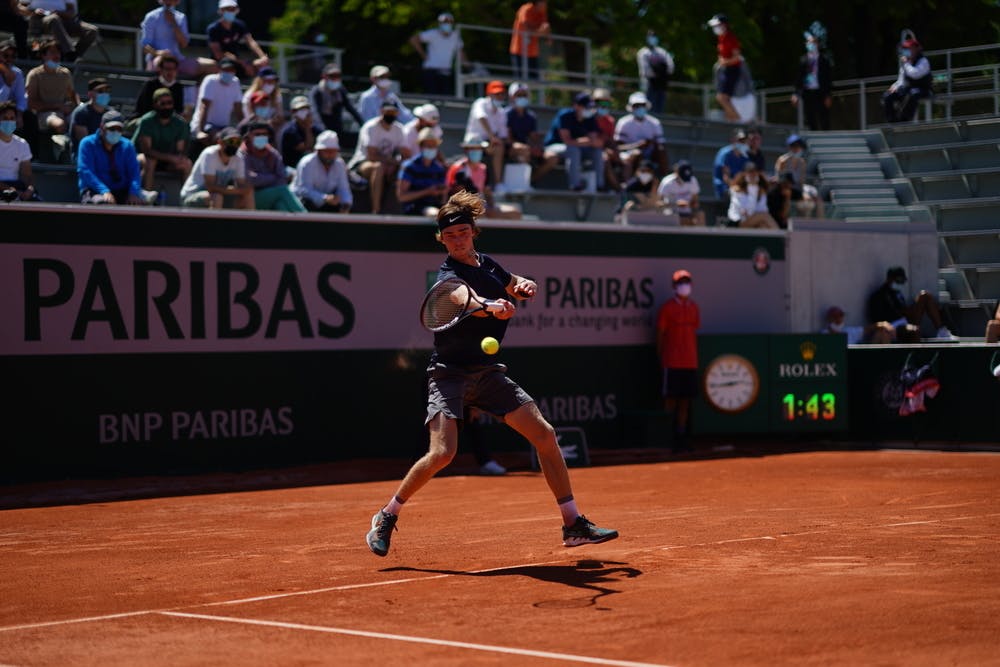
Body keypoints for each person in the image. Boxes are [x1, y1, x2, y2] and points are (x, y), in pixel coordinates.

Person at [364, 189, 618, 557]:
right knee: (442, 454)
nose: (456, 240)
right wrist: (488, 305)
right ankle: (387, 515)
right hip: (448, 374)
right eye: (449, 236)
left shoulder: (489, 264)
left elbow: (514, 282)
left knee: (545, 436)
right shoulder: (448, 275)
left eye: (462, 233)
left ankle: (573, 523)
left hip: (487, 374)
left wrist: (524, 285)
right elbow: (459, 298)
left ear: (473, 232)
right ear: (441, 239)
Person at [656, 269, 700, 453]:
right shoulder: (667, 308)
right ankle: (666, 438)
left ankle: (681, 437)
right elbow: (660, 334)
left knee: (685, 402)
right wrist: (661, 357)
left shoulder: (694, 307)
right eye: (681, 282)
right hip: (672, 362)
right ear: (674, 286)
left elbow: (695, 330)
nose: (684, 285)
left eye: (687, 282)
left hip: (690, 362)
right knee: (670, 401)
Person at [77, 110, 157, 205]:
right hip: (94, 190)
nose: (115, 132)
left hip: (122, 189)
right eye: (111, 128)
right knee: (102, 202)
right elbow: (85, 171)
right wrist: (104, 190)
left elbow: (134, 173)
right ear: (102, 127)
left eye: (119, 129)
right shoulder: (87, 143)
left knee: (141, 203)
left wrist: (133, 193)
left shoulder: (128, 146)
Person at [348, 99, 409, 215]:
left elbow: (406, 154)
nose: (391, 115)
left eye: (393, 112)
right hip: (362, 164)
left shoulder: (399, 129)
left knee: (405, 169)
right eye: (388, 112)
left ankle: (403, 209)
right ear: (381, 111)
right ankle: (376, 210)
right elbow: (372, 155)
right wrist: (393, 162)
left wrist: (397, 164)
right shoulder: (370, 127)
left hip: (388, 164)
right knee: (378, 167)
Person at [866, 266, 958, 341]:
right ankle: (918, 361)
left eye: (902, 281)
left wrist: (911, 309)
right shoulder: (880, 295)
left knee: (925, 296)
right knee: (914, 330)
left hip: (904, 320)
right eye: (898, 281)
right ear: (890, 279)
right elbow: (880, 319)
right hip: (893, 326)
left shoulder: (896, 292)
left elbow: (903, 310)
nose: (900, 283)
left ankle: (941, 331)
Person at [446, 138, 522, 219]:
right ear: (466, 150)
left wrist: (492, 207)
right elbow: (458, 197)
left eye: (478, 149)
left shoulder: (483, 168)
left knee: (515, 213)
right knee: (480, 215)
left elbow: (487, 191)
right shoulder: (458, 168)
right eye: (472, 149)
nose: (476, 151)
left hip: (479, 206)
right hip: (459, 207)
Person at [239, 121, 306, 212]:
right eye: (257, 134)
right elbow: (249, 180)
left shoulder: (272, 153)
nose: (261, 137)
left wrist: (261, 177)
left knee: (280, 206)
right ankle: (307, 218)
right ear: (249, 136)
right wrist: (273, 177)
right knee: (282, 190)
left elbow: (282, 178)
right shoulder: (242, 154)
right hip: (249, 198)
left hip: (272, 195)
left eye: (264, 134)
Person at [544, 92, 605, 192]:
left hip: (578, 147)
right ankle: (575, 185)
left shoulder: (590, 118)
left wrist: (586, 142)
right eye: (586, 107)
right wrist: (586, 141)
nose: (589, 110)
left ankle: (599, 185)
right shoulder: (565, 115)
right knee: (573, 150)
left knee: (597, 152)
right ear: (576, 106)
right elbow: (567, 141)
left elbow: (596, 142)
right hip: (555, 146)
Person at [180, 125, 253, 209]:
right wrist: (237, 190)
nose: (234, 145)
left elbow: (241, 184)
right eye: (231, 141)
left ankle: (252, 221)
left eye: (237, 142)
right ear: (220, 142)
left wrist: (244, 190)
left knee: (248, 194)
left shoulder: (239, 157)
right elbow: (211, 187)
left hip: (220, 194)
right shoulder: (209, 154)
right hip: (191, 196)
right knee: (216, 197)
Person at [134, 87, 191, 192]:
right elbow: (147, 150)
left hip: (168, 160)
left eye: (169, 102)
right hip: (144, 157)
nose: (167, 106)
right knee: (150, 162)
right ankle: (147, 198)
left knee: (186, 164)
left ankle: (186, 199)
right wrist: (169, 157)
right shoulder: (147, 121)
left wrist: (177, 158)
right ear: (155, 105)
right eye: (163, 103)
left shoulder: (180, 123)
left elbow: (180, 149)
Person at [140, 0, 217, 78]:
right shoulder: (151, 17)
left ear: (177, 1)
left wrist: (173, 23)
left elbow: (184, 44)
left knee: (213, 66)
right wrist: (158, 53)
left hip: (178, 60)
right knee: (165, 65)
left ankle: (195, 89)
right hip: (157, 60)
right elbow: (145, 47)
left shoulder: (181, 17)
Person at [504, 81, 557, 187]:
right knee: (524, 150)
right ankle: (523, 184)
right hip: (509, 147)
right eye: (518, 95)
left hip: (526, 147)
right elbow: (507, 139)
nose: (521, 97)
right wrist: (527, 147)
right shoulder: (506, 114)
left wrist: (537, 147)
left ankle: (530, 181)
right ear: (511, 97)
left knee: (552, 157)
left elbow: (533, 137)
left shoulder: (531, 116)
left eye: (524, 95)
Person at [24, 40, 77, 144]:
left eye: (58, 52)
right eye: (52, 52)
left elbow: (72, 96)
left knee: (82, 120)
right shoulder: (35, 74)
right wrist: (57, 106)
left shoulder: (65, 73)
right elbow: (31, 104)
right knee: (59, 124)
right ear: (43, 56)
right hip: (42, 114)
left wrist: (74, 107)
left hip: (63, 112)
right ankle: (62, 152)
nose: (56, 55)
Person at [463, 80, 508, 190]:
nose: (500, 96)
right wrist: (492, 137)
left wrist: (495, 141)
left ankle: (498, 184)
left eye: (501, 94)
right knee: (478, 146)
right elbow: (481, 117)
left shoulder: (502, 112)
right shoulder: (480, 103)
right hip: (473, 141)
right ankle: (472, 184)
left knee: (499, 147)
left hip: (488, 143)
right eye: (497, 94)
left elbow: (502, 135)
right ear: (489, 94)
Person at [190, 57, 243, 150]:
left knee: (236, 141)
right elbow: (204, 107)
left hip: (224, 127)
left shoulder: (236, 82)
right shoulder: (210, 81)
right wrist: (200, 131)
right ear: (219, 69)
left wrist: (245, 130)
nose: (228, 72)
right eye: (225, 69)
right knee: (223, 141)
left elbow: (238, 109)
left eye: (231, 69)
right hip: (206, 125)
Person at [292, 129, 351, 213]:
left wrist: (346, 204)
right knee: (307, 203)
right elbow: (303, 190)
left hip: (326, 202)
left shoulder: (339, 164)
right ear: (318, 151)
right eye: (327, 151)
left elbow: (344, 188)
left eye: (333, 151)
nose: (330, 154)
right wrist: (324, 198)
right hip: (301, 203)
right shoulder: (307, 163)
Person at [206, 0, 269, 79]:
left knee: (260, 67)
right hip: (220, 62)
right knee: (230, 66)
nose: (230, 12)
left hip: (236, 60)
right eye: (227, 9)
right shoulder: (213, 29)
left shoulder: (239, 25)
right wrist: (243, 63)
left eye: (232, 9)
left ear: (237, 10)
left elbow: (250, 42)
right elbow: (218, 54)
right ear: (220, 11)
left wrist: (262, 57)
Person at [614, 91, 668, 181]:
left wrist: (651, 144)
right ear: (631, 107)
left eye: (642, 105)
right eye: (637, 105)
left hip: (650, 154)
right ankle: (629, 183)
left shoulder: (654, 123)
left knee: (662, 151)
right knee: (636, 153)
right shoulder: (623, 123)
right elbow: (618, 147)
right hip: (629, 154)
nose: (640, 108)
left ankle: (663, 180)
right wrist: (637, 146)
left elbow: (661, 144)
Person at [409, 11, 466, 95]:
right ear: (439, 23)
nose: (446, 24)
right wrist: (423, 55)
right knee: (431, 96)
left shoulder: (455, 36)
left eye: (448, 21)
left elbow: (461, 51)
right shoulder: (432, 33)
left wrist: (467, 64)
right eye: (444, 22)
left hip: (446, 70)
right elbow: (413, 39)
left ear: (452, 23)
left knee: (446, 97)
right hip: (431, 70)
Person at [25, 0, 98, 63]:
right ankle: (68, 53)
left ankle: (73, 57)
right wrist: (33, 11)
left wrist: (59, 12)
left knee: (92, 30)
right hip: (38, 19)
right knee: (54, 19)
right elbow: (21, 7)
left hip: (63, 18)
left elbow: (71, 12)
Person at [397, 127, 447, 216]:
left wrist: (442, 192)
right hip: (414, 207)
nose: (431, 148)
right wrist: (427, 191)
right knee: (436, 214)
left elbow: (443, 195)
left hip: (435, 206)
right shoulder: (409, 166)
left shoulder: (439, 168)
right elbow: (402, 196)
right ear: (421, 147)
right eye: (428, 146)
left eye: (433, 146)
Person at [882, 34, 932, 123]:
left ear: (917, 49)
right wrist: (894, 87)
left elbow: (915, 74)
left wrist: (906, 63)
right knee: (888, 95)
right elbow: (901, 80)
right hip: (908, 89)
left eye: (910, 48)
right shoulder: (906, 64)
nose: (907, 51)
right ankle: (892, 121)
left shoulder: (924, 61)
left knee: (913, 94)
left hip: (923, 89)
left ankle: (904, 120)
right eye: (906, 49)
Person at [773, 134, 823, 219]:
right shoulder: (782, 161)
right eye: (794, 146)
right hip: (786, 189)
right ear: (789, 147)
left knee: (816, 200)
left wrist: (804, 193)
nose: (796, 149)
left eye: (798, 146)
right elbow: (780, 180)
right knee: (804, 202)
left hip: (797, 189)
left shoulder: (802, 162)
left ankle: (820, 224)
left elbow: (801, 182)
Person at [792, 30, 832, 131]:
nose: (811, 45)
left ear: (817, 44)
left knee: (823, 115)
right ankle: (814, 135)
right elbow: (799, 78)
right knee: (810, 116)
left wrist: (828, 95)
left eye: (813, 42)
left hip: (821, 91)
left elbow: (828, 78)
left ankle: (826, 136)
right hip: (808, 91)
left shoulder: (824, 60)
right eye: (809, 42)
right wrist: (795, 94)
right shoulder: (803, 60)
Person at [0, 100, 39, 201]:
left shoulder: (22, 144)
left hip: (17, 186)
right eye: (5, 118)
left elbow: (27, 175)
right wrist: (9, 189)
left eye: (12, 118)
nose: (9, 122)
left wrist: (29, 189)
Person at [309, 64, 363, 137]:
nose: (335, 78)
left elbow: (350, 108)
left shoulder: (340, 90)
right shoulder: (317, 91)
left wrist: (362, 124)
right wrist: (323, 130)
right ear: (324, 76)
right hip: (321, 129)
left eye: (338, 76)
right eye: (332, 76)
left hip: (336, 128)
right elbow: (314, 111)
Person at [708, 13, 742, 121]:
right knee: (725, 98)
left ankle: (738, 120)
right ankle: (731, 121)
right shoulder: (721, 38)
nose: (715, 28)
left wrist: (724, 62)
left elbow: (737, 58)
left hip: (733, 70)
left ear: (724, 25)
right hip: (726, 70)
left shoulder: (730, 38)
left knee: (721, 97)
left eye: (717, 25)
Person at [134, 53, 187, 121]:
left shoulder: (178, 87)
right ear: (160, 70)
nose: (170, 72)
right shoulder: (150, 84)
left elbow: (179, 109)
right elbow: (142, 108)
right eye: (167, 69)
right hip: (147, 120)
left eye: (173, 69)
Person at [67, 77, 111, 158]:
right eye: (100, 91)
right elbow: (85, 142)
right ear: (90, 94)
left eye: (107, 91)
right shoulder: (81, 113)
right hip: (84, 155)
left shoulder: (111, 113)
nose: (105, 94)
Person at [727, 164, 778, 228]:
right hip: (736, 223)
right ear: (744, 174)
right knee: (763, 216)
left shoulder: (760, 191)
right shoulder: (737, 190)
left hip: (753, 221)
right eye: (750, 173)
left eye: (754, 173)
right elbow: (746, 211)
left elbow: (763, 209)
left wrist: (754, 187)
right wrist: (752, 186)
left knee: (763, 226)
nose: (752, 175)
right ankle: (782, 236)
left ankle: (779, 236)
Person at [509, 0, 549, 81]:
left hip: (533, 53)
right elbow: (526, 28)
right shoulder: (526, 9)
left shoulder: (542, 12)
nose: (546, 4)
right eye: (544, 2)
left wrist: (545, 33)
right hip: (519, 51)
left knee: (535, 80)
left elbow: (545, 31)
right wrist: (539, 32)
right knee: (519, 80)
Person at [637, 29, 674, 114]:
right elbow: (645, 70)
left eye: (654, 36)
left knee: (659, 109)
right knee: (648, 107)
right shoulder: (643, 52)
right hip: (648, 84)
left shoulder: (662, 52)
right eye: (650, 36)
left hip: (661, 84)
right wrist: (658, 71)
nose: (652, 38)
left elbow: (670, 66)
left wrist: (660, 72)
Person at [658, 159, 705, 226]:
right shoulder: (667, 183)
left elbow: (695, 201)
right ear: (676, 172)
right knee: (679, 219)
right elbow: (658, 204)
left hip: (687, 213)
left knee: (700, 215)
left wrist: (690, 205)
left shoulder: (693, 180)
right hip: (671, 212)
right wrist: (675, 204)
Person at [279, 95, 321, 170]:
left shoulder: (316, 129)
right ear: (293, 112)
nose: (304, 112)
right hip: (291, 168)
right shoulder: (290, 130)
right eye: (300, 109)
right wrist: (307, 128)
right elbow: (307, 148)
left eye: (305, 109)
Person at [820, 306, 894, 345]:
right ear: (830, 318)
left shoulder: (849, 331)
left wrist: (885, 324)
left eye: (841, 315)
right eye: (835, 316)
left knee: (882, 332)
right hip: (835, 362)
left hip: (853, 360)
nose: (839, 318)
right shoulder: (824, 333)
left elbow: (869, 328)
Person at [711, 127, 748, 201]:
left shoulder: (744, 156)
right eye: (739, 140)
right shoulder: (725, 154)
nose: (742, 142)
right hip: (725, 190)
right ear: (732, 140)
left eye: (744, 140)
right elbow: (726, 179)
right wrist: (740, 189)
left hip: (739, 189)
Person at [0, 39, 27, 128]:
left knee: (30, 117)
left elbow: (21, 98)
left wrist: (19, 115)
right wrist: (8, 84)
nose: (9, 59)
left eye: (13, 56)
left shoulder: (17, 73)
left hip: (10, 111)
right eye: (5, 55)